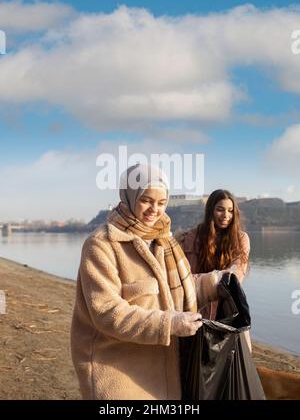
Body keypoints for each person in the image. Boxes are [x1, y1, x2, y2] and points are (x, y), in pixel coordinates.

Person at [70, 163, 203, 400]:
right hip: (114, 370)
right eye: (146, 200)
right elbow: (108, 313)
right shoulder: (101, 245)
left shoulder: (162, 240)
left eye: (162, 203)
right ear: (129, 197)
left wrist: (216, 283)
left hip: (162, 368)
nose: (155, 210)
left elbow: (177, 288)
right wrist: (170, 324)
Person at [177, 189, 250, 337]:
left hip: (227, 314)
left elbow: (235, 276)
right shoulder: (191, 237)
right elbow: (185, 276)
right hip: (195, 311)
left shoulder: (240, 239)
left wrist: (210, 281)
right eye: (220, 210)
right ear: (211, 210)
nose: (226, 216)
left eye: (230, 210)